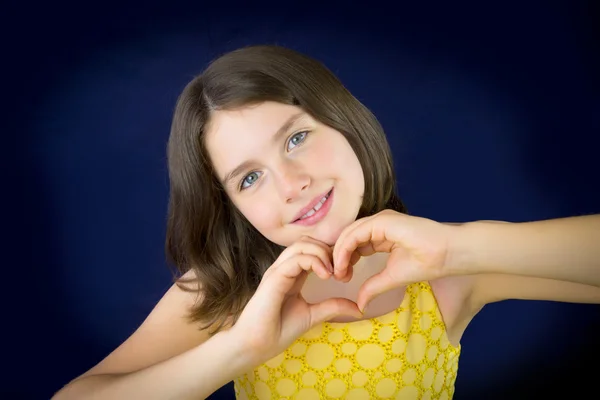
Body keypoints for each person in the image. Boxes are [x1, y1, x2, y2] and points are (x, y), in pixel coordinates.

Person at [52, 44, 600, 400]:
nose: (292, 184)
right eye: (249, 178)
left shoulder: (447, 273)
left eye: (295, 138)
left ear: (343, 122)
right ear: (231, 208)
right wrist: (241, 349)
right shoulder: (226, 291)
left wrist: (463, 247)